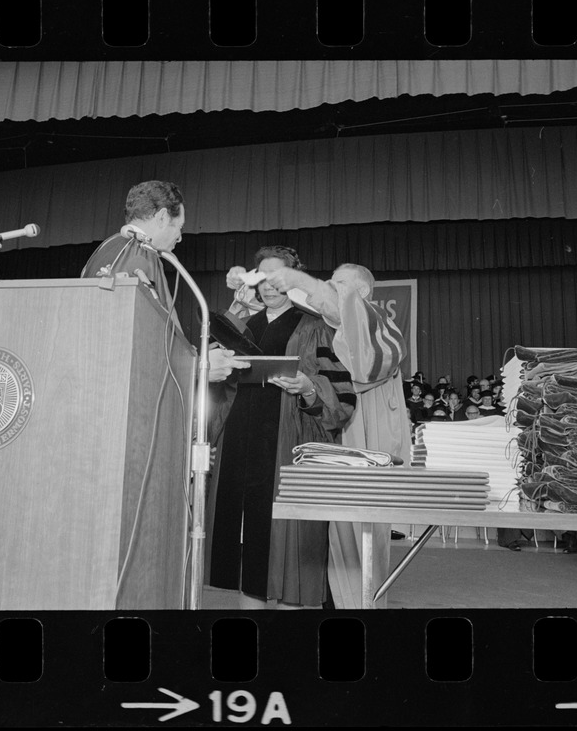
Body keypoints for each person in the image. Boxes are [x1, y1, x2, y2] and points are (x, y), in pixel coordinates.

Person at [244, 261, 411, 610]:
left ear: (362, 293)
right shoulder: (332, 329)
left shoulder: (380, 326)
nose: (328, 290)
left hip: (362, 453)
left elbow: (341, 319)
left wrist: (301, 281)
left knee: (358, 559)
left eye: (338, 284)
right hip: (329, 446)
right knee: (326, 555)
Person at [206, 246, 357, 609]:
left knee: (286, 545)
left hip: (286, 445)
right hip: (240, 446)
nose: (269, 286)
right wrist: (235, 314)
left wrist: (308, 388)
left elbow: (342, 396)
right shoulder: (243, 326)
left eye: (277, 278)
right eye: (262, 277)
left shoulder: (314, 327)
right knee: (248, 549)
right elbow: (213, 382)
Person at [80, 179, 248, 383]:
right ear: (162, 217)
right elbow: (139, 341)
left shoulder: (108, 247)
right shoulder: (139, 255)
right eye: (179, 227)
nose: (179, 238)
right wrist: (196, 367)